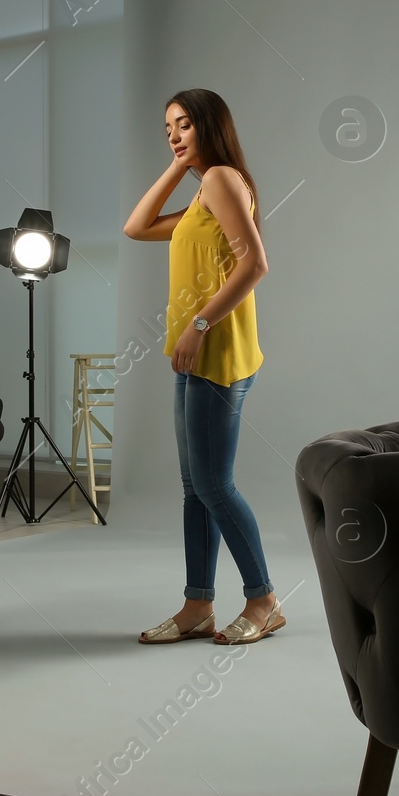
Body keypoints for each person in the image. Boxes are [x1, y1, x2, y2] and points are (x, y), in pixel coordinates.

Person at [123, 89, 280, 646]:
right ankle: (197, 606)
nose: (173, 134)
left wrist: (199, 325)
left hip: (217, 351)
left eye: (184, 125)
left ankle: (263, 601)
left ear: (210, 126)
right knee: (196, 488)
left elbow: (255, 263)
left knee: (214, 485)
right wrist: (176, 164)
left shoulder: (221, 180)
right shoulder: (202, 192)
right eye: (167, 127)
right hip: (194, 354)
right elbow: (136, 227)